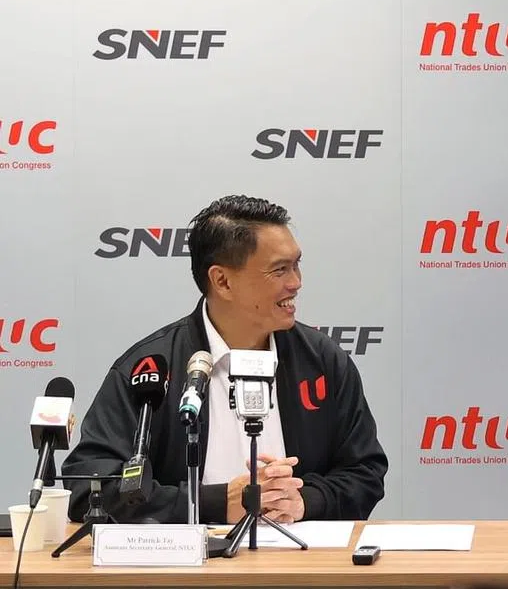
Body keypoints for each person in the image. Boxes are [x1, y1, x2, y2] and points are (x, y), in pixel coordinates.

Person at [62, 195, 388, 525]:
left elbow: (365, 472)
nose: (296, 282)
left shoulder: (323, 361)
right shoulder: (149, 370)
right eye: (280, 270)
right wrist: (217, 503)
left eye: (296, 265)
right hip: (188, 559)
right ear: (222, 281)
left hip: (301, 556)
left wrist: (306, 500)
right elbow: (90, 489)